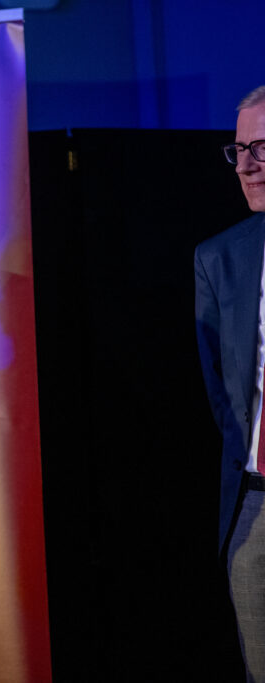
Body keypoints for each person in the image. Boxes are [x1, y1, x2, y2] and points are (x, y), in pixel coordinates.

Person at [196, 85, 265, 681]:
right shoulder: (220, 257)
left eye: (262, 148)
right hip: (256, 503)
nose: (246, 166)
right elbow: (220, 391)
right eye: (239, 150)